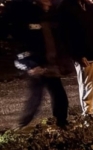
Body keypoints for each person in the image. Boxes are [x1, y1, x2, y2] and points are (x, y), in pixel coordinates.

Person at [5, 0, 70, 130]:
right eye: (46, 1)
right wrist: (29, 63)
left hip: (45, 63)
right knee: (39, 96)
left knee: (53, 95)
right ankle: (22, 125)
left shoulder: (46, 16)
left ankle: (60, 123)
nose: (49, 4)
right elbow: (22, 42)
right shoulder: (29, 16)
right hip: (36, 64)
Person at [60, 0, 93, 123]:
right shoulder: (67, 8)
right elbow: (66, 35)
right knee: (87, 86)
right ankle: (88, 115)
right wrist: (77, 55)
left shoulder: (91, 7)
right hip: (84, 55)